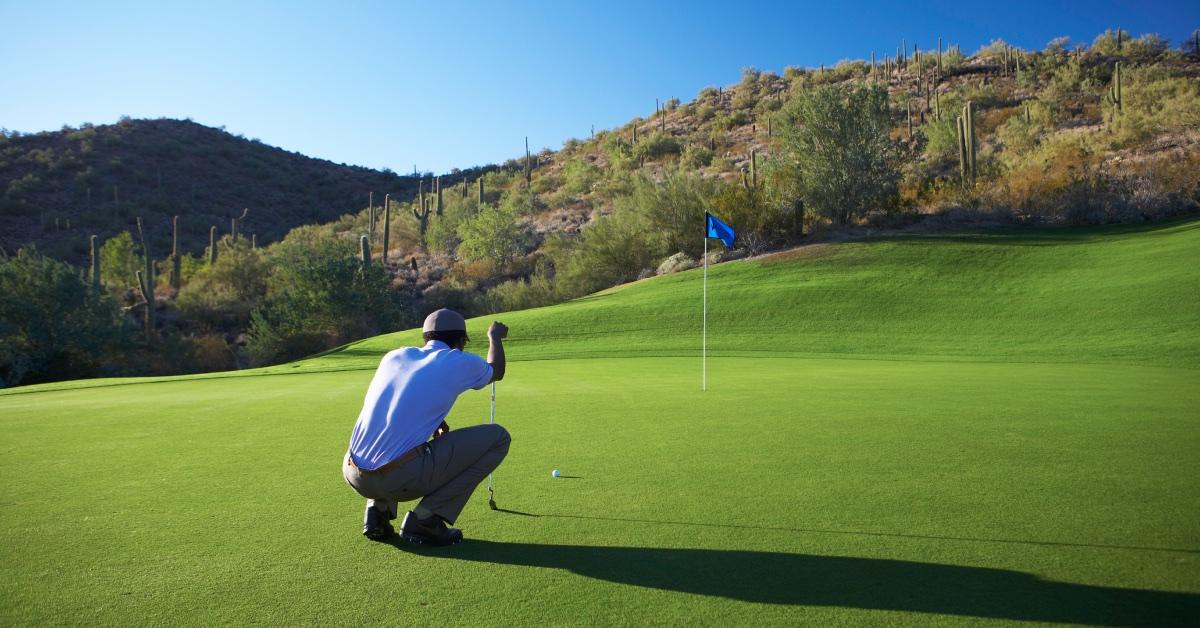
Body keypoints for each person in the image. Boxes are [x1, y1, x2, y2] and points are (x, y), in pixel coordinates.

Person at [342, 308, 510, 545]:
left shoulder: (394, 357)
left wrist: (434, 420)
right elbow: (497, 370)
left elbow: (400, 400)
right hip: (398, 478)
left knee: (387, 444)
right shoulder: (457, 360)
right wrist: (493, 336)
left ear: (426, 338)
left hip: (352, 473)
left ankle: (377, 514)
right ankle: (425, 519)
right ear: (461, 342)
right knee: (499, 438)